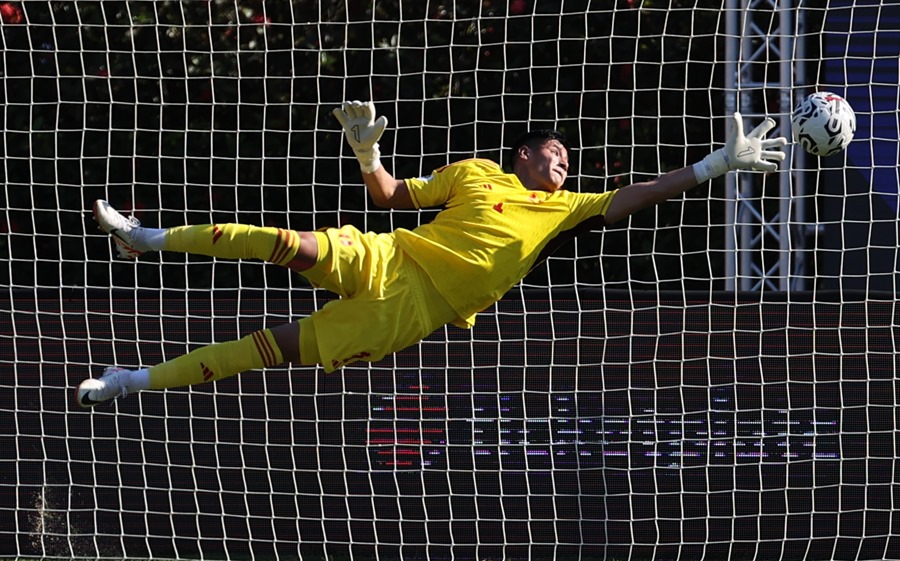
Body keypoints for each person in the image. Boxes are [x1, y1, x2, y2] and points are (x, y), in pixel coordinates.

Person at [75, 101, 787, 408]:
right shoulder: (474, 172)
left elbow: (632, 194)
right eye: (554, 149)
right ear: (524, 155)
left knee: (262, 349)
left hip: (412, 312)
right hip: (390, 255)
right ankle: (146, 237)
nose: (565, 158)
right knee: (282, 243)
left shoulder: (565, 208)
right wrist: (367, 151)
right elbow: (389, 197)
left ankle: (131, 380)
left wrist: (713, 165)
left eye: (568, 156)